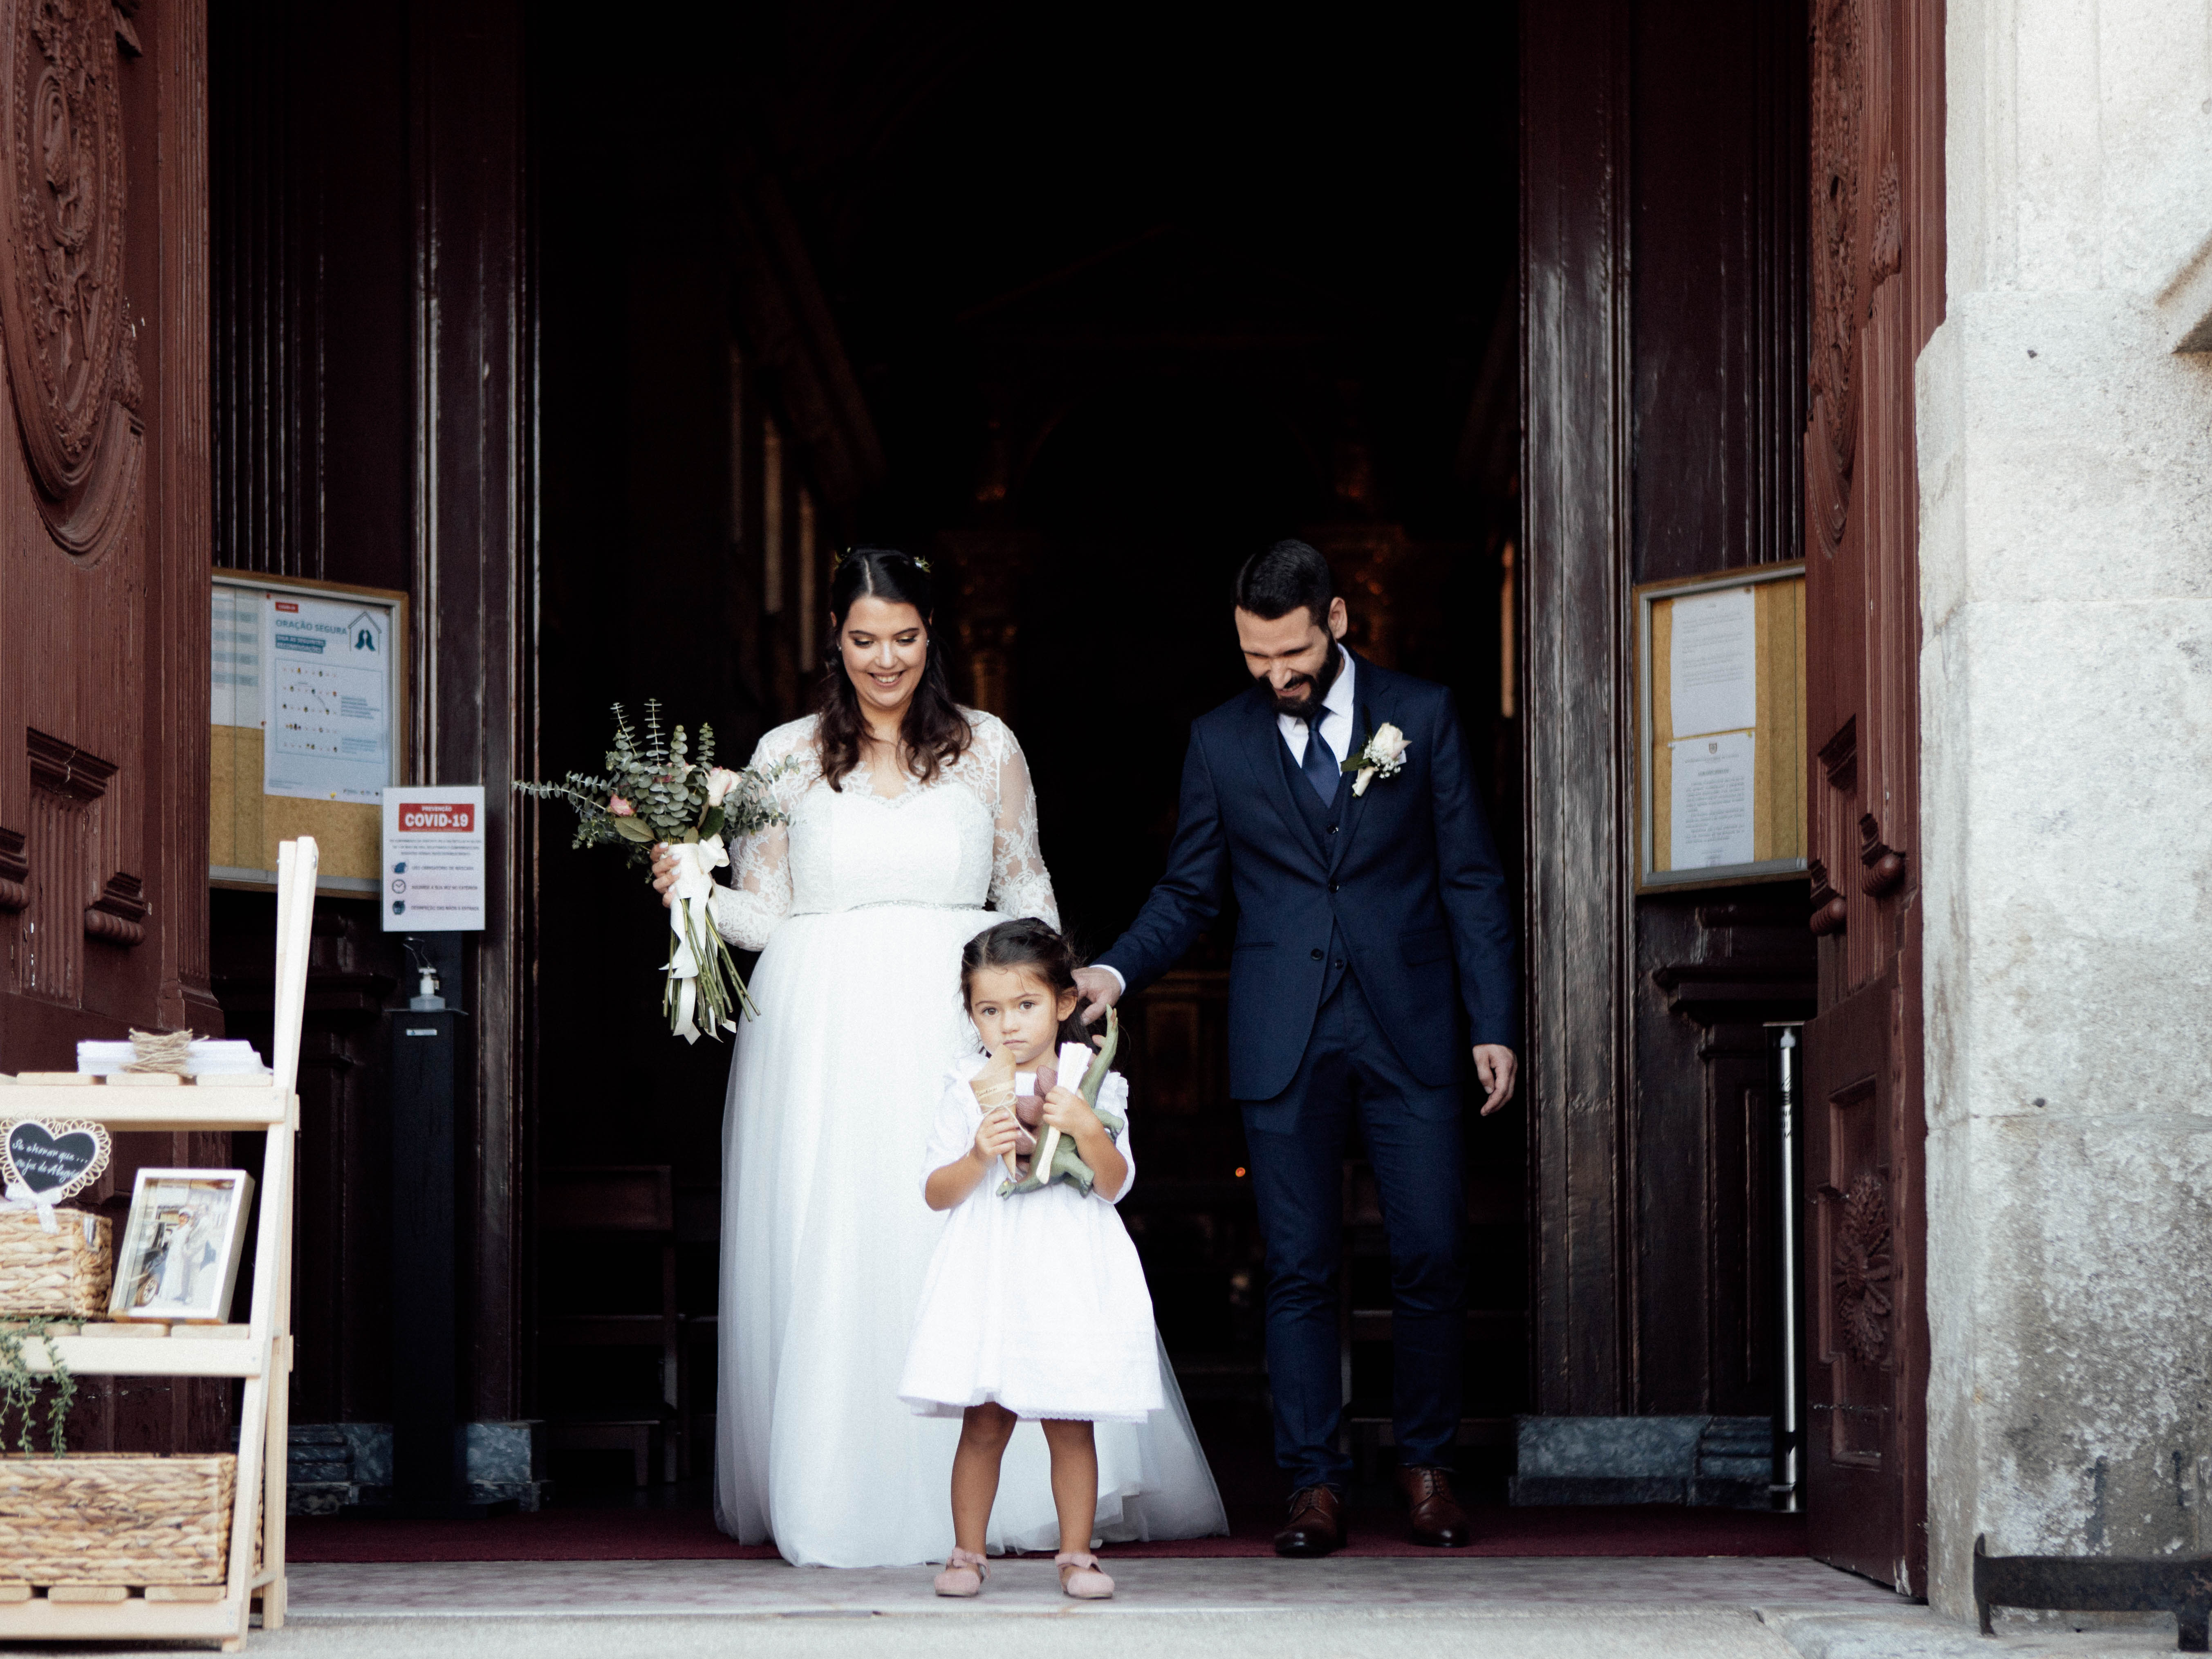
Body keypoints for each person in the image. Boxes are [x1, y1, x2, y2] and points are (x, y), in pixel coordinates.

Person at [651, 548, 1224, 1568]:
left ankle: (1010, 1507)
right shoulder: (784, 756)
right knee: (851, 1236)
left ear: (932, 636)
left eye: (905, 638)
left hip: (963, 1016)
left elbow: (1028, 891)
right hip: (822, 1029)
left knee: (982, 1235)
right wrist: (691, 882)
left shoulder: (986, 745)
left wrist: (1053, 1015)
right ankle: (852, 1488)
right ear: (835, 636)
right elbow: (767, 915)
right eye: (865, 639)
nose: (885, 659)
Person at [1074, 539, 1518, 1558]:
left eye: (1292, 655)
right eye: (1253, 656)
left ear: (1338, 622)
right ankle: (1314, 1482)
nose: (1275, 676)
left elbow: (1472, 880)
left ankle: (1426, 1468)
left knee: (1432, 1253)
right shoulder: (1219, 742)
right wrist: (1115, 972)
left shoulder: (1425, 714)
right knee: (1301, 1267)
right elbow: (1191, 890)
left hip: (1412, 1024)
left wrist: (1492, 1020)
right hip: (1283, 1033)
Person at [901, 919, 1161, 1601]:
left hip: (1066, 1268)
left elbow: (1114, 1182)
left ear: (1065, 1003)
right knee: (984, 1419)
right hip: (991, 1268)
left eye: (1026, 1005)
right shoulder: (966, 1084)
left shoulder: (1094, 1081)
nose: (1008, 1025)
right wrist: (977, 1155)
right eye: (990, 1010)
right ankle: (967, 1552)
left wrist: (1083, 1128)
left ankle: (1076, 1553)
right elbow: (936, 1193)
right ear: (971, 1015)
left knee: (1070, 1416)